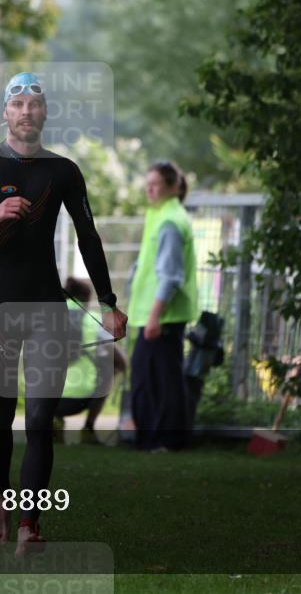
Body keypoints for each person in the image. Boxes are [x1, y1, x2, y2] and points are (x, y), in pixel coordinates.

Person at [0, 72, 128, 555]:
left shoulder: (63, 171)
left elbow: (88, 236)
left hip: (47, 310)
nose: (25, 111)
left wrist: (108, 303)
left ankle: (29, 525)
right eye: (17, 103)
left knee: (39, 421)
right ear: (5, 112)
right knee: (0, 416)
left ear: (44, 113)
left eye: (33, 103)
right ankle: (0, 500)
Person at [126, 161, 199, 452]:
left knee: (160, 380)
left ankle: (166, 440)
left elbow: (170, 276)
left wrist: (155, 316)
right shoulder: (160, 215)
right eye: (148, 183)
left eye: (156, 183)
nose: (149, 189)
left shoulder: (170, 220)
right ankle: (153, 439)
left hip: (162, 317)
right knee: (151, 376)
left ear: (173, 187)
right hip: (154, 314)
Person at [53, 277, 129, 446]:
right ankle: (88, 429)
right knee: (109, 369)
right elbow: (122, 361)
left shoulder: (48, 318)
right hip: (83, 398)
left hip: (47, 399)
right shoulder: (93, 321)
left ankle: (54, 424)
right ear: (86, 299)